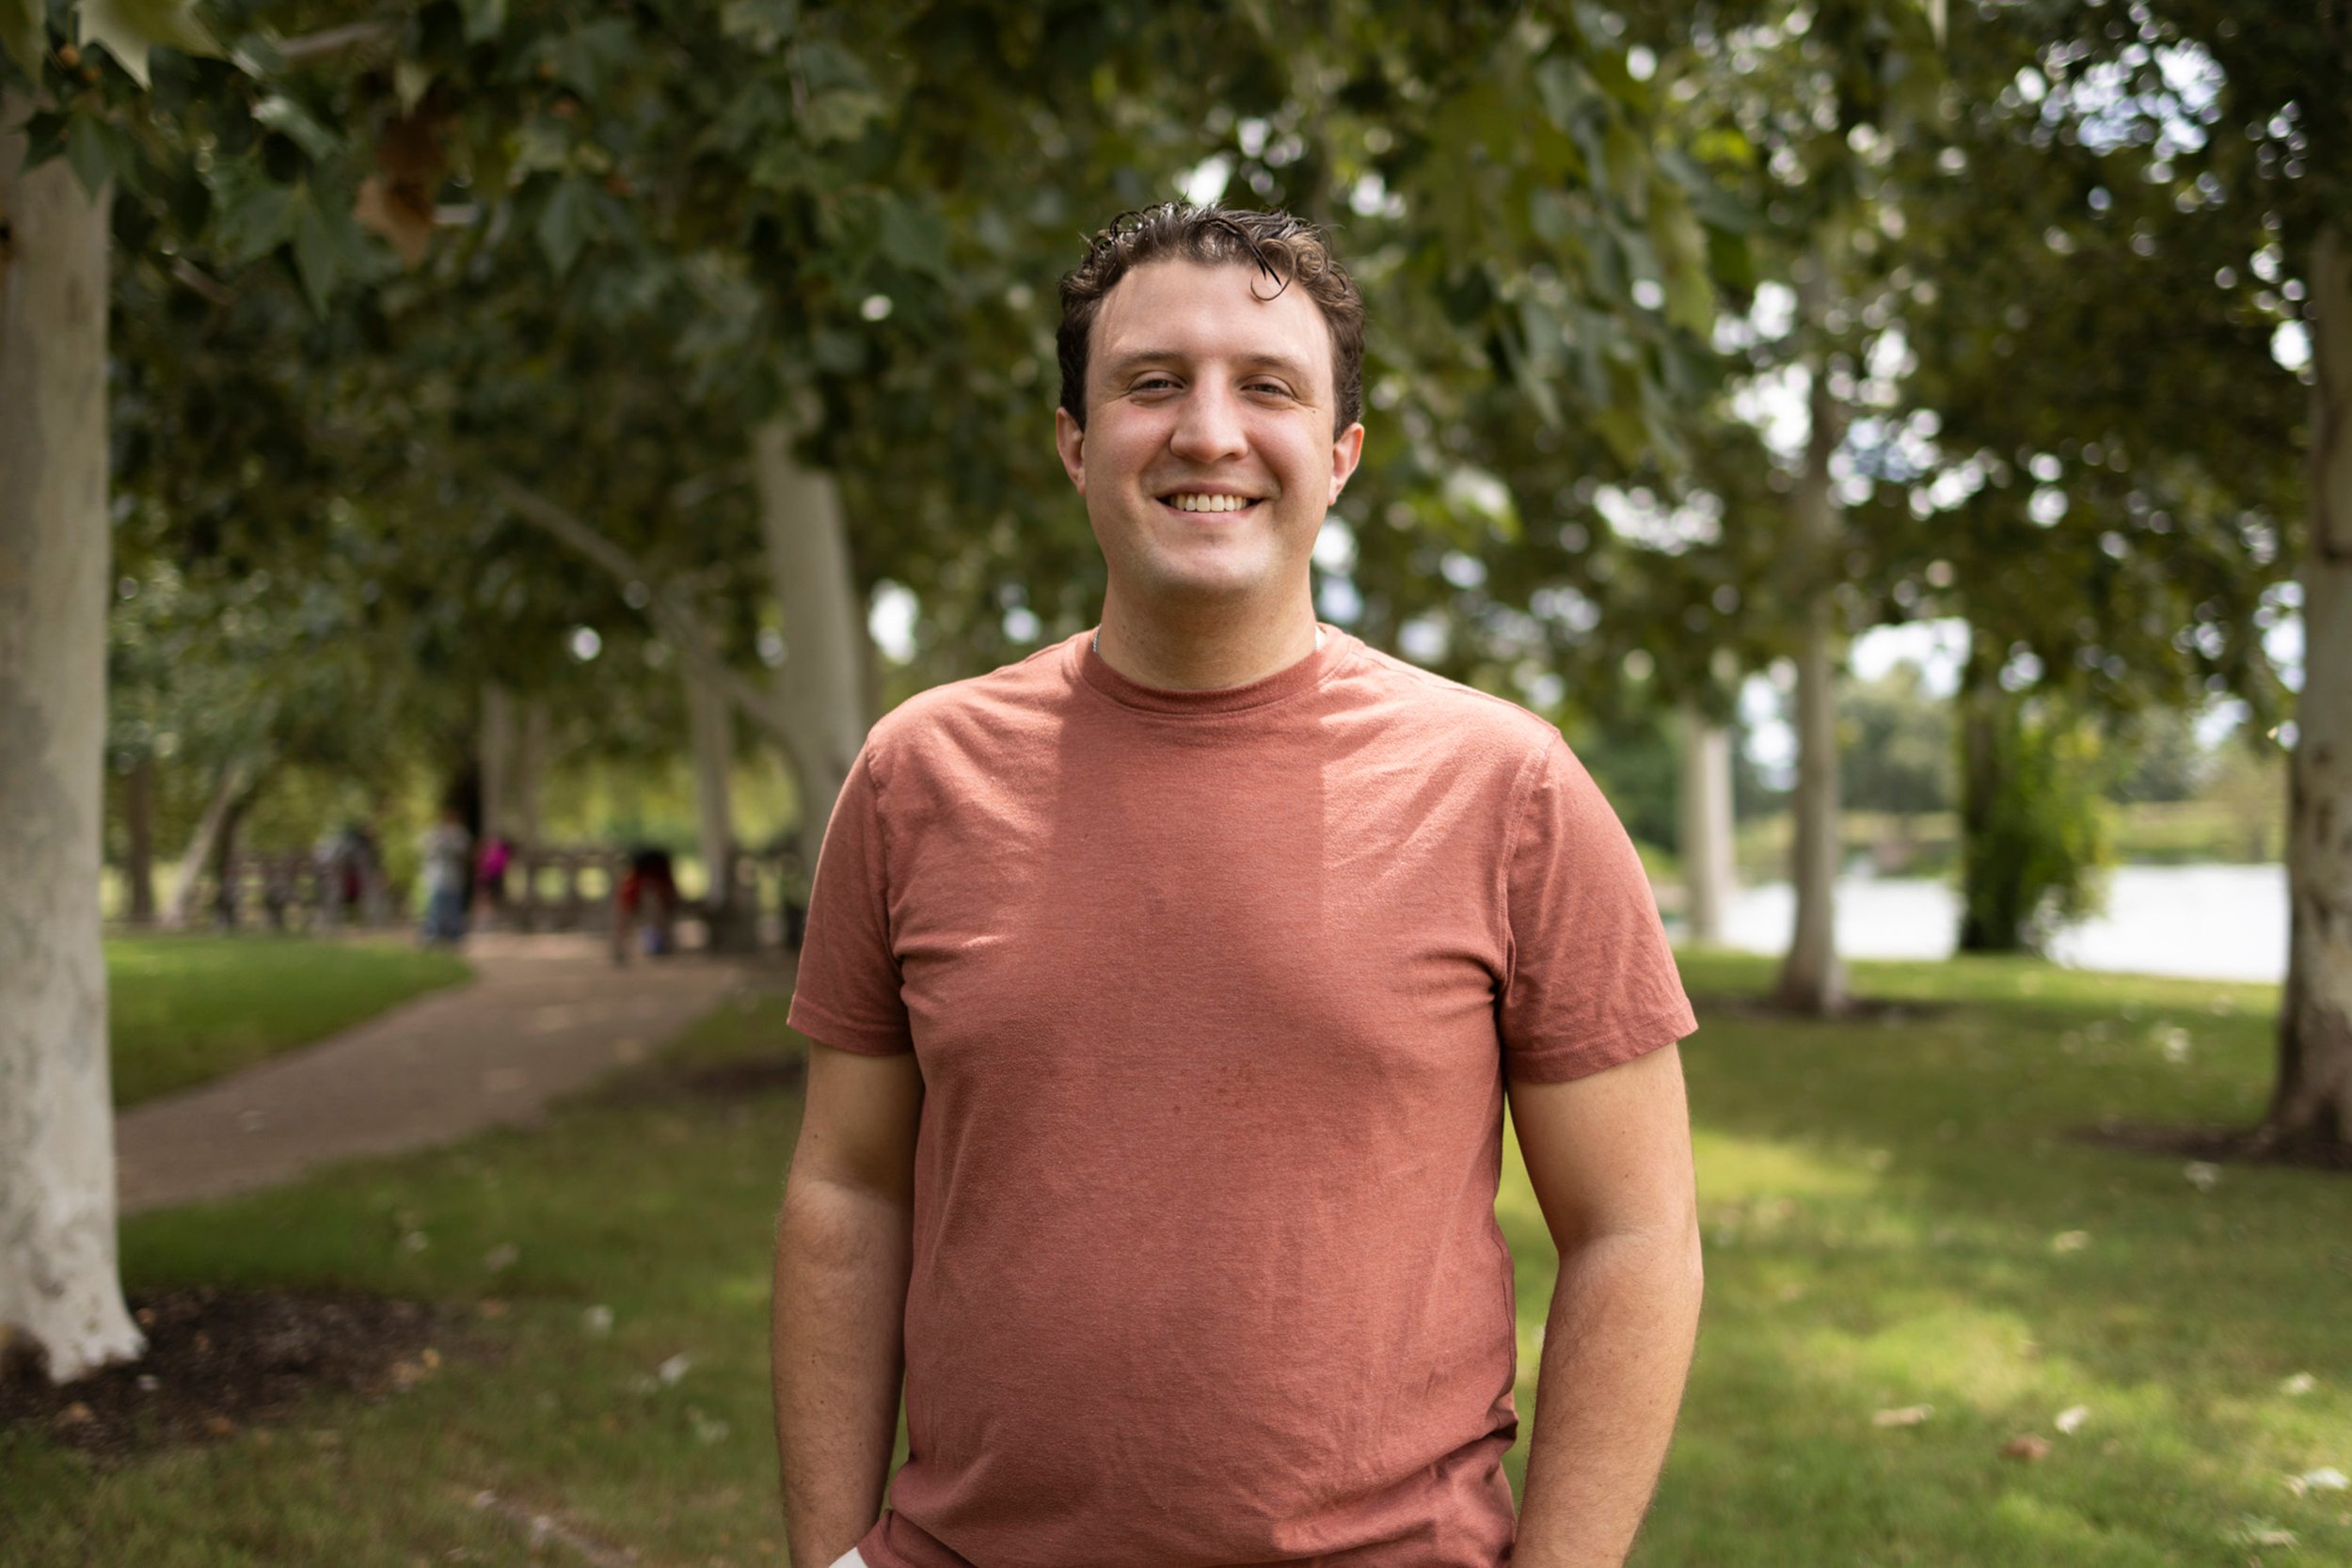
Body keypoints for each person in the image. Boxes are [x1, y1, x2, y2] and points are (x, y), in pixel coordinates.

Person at [773, 204, 1703, 1568]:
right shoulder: (921, 771)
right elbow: (848, 1187)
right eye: (1153, 382)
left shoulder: (1510, 788)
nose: (1208, 431)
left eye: (1266, 387)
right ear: (1075, 442)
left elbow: (1634, 1229)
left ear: (1339, 456)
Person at [416, 808, 471, 947]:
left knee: (453, 907)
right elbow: (424, 848)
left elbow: (464, 850)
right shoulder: (436, 833)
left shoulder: (459, 834)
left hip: (453, 878)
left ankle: (454, 935)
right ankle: (434, 934)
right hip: (437, 878)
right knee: (436, 907)